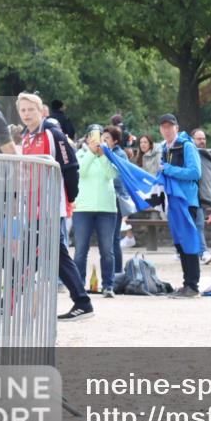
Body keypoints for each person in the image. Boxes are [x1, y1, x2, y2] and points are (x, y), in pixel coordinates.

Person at [16, 92, 94, 320]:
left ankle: (9, 300)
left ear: (41, 111)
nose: (27, 114)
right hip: (33, 206)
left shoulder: (52, 134)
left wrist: (70, 196)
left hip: (50, 205)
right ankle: (82, 301)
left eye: (31, 109)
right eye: (23, 110)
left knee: (43, 253)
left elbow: (70, 166)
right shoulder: (26, 137)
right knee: (48, 254)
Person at [158, 113, 204, 298]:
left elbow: (195, 172)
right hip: (174, 202)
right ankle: (187, 283)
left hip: (186, 201)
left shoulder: (186, 145)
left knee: (189, 242)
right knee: (180, 244)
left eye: (170, 126)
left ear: (176, 127)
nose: (167, 130)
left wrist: (168, 170)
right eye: (163, 127)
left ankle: (192, 285)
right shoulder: (165, 148)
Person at [71, 124, 119, 299]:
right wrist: (92, 153)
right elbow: (81, 172)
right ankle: (79, 285)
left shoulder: (109, 155)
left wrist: (103, 155)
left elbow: (111, 175)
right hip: (83, 208)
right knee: (80, 250)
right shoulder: (81, 154)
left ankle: (108, 285)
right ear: (86, 139)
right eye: (94, 136)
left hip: (107, 208)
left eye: (101, 137)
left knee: (107, 250)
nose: (98, 140)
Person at [102, 125, 133, 277]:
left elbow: (119, 179)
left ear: (115, 140)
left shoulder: (118, 154)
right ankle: (114, 272)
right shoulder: (106, 153)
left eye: (107, 138)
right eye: (103, 137)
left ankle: (117, 272)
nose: (103, 140)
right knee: (111, 238)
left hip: (116, 199)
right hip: (107, 198)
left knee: (114, 238)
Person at [191, 127, 211, 265]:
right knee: (198, 224)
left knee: (195, 224)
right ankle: (203, 252)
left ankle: (185, 251)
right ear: (192, 140)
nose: (202, 141)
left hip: (203, 196)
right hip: (190, 195)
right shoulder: (188, 154)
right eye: (199, 138)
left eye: (203, 138)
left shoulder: (208, 156)